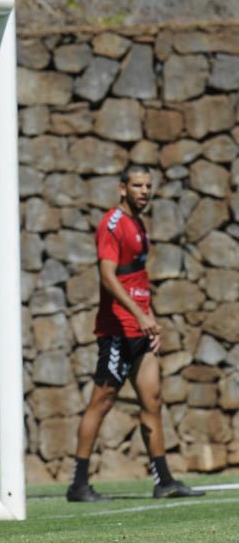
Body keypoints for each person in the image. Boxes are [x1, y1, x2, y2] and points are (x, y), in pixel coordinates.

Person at [66, 165, 204, 502]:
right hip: (116, 331)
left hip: (140, 330)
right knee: (102, 401)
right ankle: (78, 484)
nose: (144, 191)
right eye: (137, 185)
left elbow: (138, 278)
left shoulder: (139, 225)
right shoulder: (112, 225)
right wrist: (139, 315)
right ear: (122, 188)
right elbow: (108, 277)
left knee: (152, 400)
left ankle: (164, 481)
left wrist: (150, 319)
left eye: (148, 186)